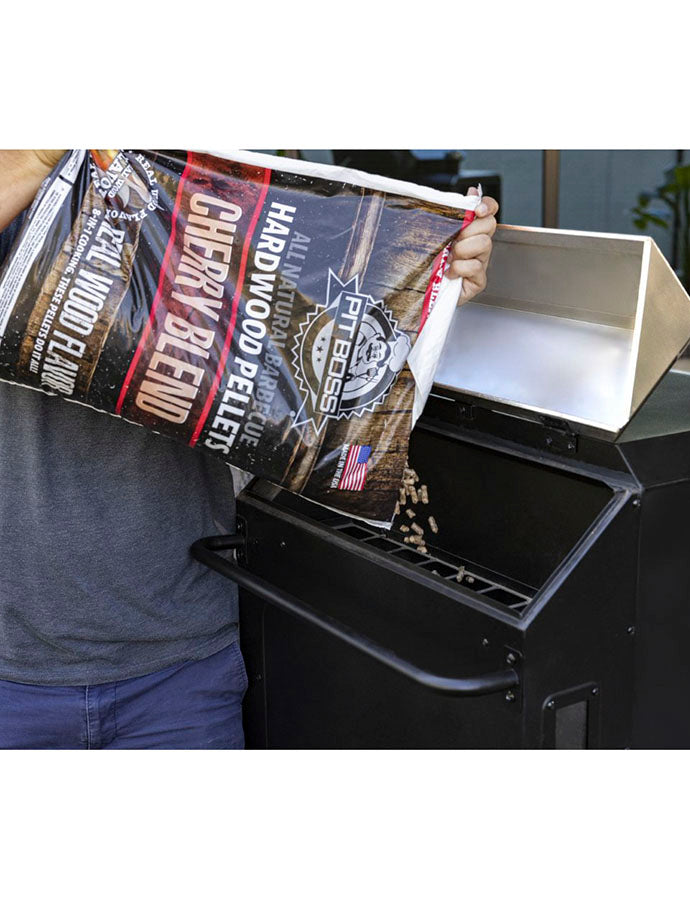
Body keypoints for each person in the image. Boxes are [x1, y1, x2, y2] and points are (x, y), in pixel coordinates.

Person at [0, 149, 499, 749]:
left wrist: (432, 277)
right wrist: (37, 153)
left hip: (181, 669)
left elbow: (301, 340)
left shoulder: (199, 181)